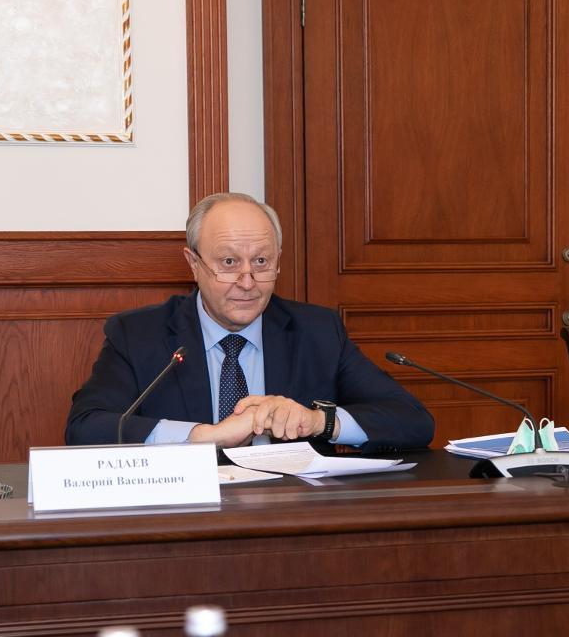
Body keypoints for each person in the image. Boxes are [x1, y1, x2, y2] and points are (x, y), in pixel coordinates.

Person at [65, 192, 433, 449]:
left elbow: (413, 419)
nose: (247, 282)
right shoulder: (138, 335)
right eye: (229, 263)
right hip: (186, 520)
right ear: (194, 264)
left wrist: (318, 421)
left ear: (279, 261)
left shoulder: (317, 332)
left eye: (261, 262)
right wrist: (202, 436)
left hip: (291, 519)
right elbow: (85, 427)